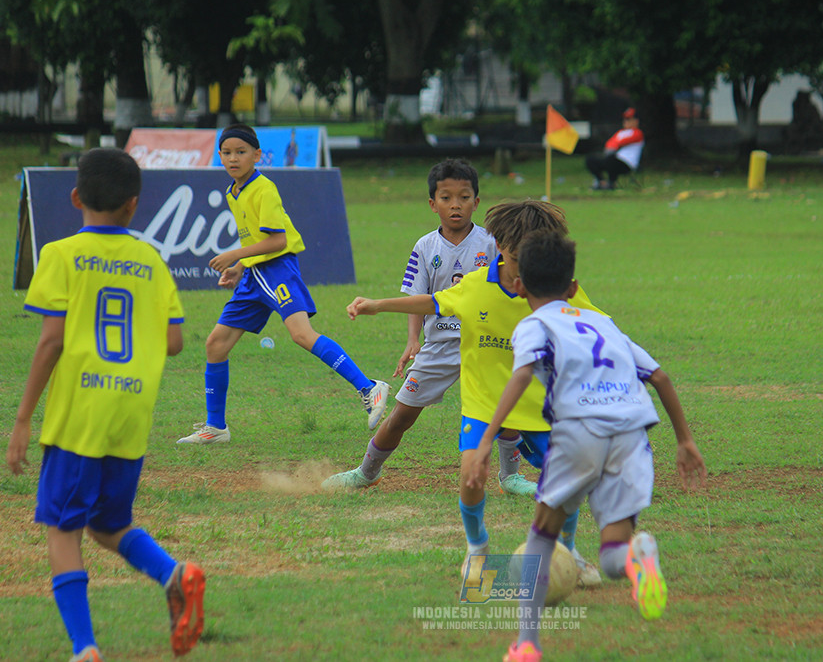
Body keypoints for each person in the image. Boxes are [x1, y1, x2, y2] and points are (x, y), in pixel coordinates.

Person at [466, 230, 707, 662]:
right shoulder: (603, 323)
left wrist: (487, 440)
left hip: (580, 430)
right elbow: (661, 377)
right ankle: (638, 555)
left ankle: (527, 645)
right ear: (574, 288)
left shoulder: (533, 325)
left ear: (519, 286)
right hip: (633, 434)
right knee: (614, 555)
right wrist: (686, 441)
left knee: (541, 535)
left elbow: (520, 376)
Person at [6, 148, 205, 661]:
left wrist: (24, 418)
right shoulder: (152, 261)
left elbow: (51, 341)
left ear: (76, 197)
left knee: (63, 527)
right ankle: (174, 573)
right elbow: (175, 341)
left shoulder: (60, 255)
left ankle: (85, 647)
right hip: (130, 415)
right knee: (107, 523)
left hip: (78, 415)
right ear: (133, 206)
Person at [343, 201, 603, 583]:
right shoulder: (476, 287)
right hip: (483, 402)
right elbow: (433, 302)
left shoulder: (555, 288)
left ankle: (570, 553)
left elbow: (598, 325)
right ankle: (477, 551)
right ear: (498, 246)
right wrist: (378, 306)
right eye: (516, 260)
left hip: (540, 404)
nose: (523, 272)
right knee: (470, 475)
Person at [322, 159, 537, 497]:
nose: (456, 205)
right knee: (401, 417)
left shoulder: (492, 243)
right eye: (447, 197)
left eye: (464, 197)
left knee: (503, 410)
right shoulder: (425, 247)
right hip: (439, 345)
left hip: (485, 343)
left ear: (476, 203)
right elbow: (421, 299)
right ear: (432, 204)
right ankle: (366, 472)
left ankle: (510, 476)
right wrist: (413, 339)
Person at [177, 123, 389, 445]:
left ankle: (370, 387)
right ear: (219, 156)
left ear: (257, 155)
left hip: (276, 270)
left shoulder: (264, 189)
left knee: (302, 335)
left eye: (241, 152)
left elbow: (277, 241)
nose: (233, 159)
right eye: (227, 153)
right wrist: (239, 267)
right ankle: (216, 427)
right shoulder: (233, 192)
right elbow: (256, 238)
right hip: (254, 274)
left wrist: (235, 254)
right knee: (215, 345)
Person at [585, 107, 644, 190]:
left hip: (627, 163)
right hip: (613, 158)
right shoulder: (620, 132)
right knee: (591, 160)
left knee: (611, 159)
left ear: (636, 121)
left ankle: (611, 183)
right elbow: (609, 143)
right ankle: (601, 181)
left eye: (628, 119)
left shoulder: (637, 133)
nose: (625, 122)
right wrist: (613, 145)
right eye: (625, 119)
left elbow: (620, 142)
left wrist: (614, 145)